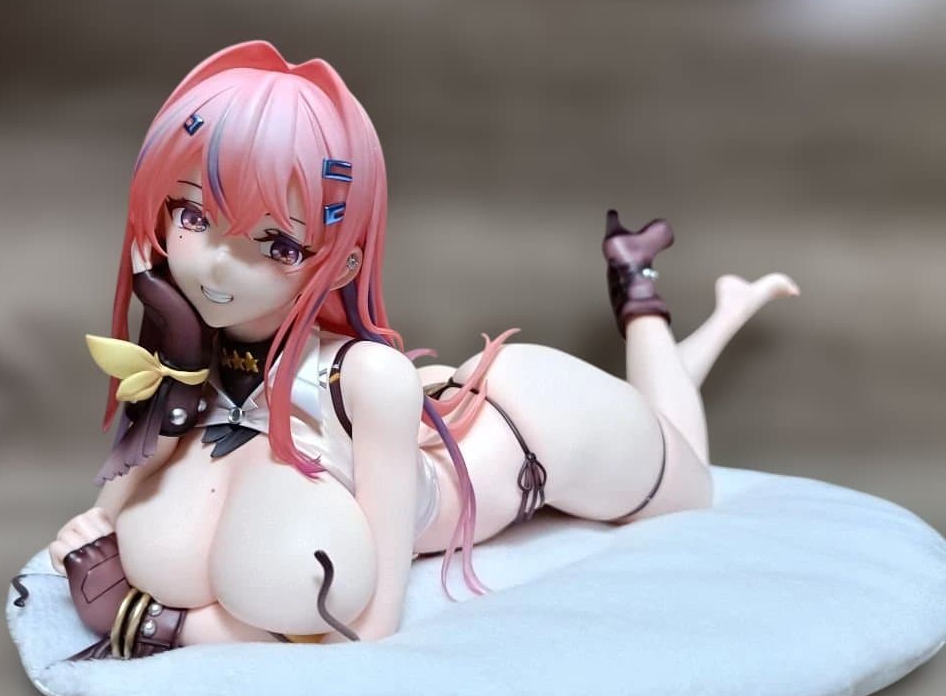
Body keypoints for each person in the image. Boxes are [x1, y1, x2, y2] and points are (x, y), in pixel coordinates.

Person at [47, 40, 799, 659]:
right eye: (193, 216)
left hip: (546, 431)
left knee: (691, 480)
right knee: (666, 427)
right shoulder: (200, 357)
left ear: (341, 262)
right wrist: (102, 513)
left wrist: (155, 625)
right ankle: (691, 307)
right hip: (457, 409)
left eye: (276, 244)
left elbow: (369, 623)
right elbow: (128, 490)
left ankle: (640, 291)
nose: (217, 266)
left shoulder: (365, 375)